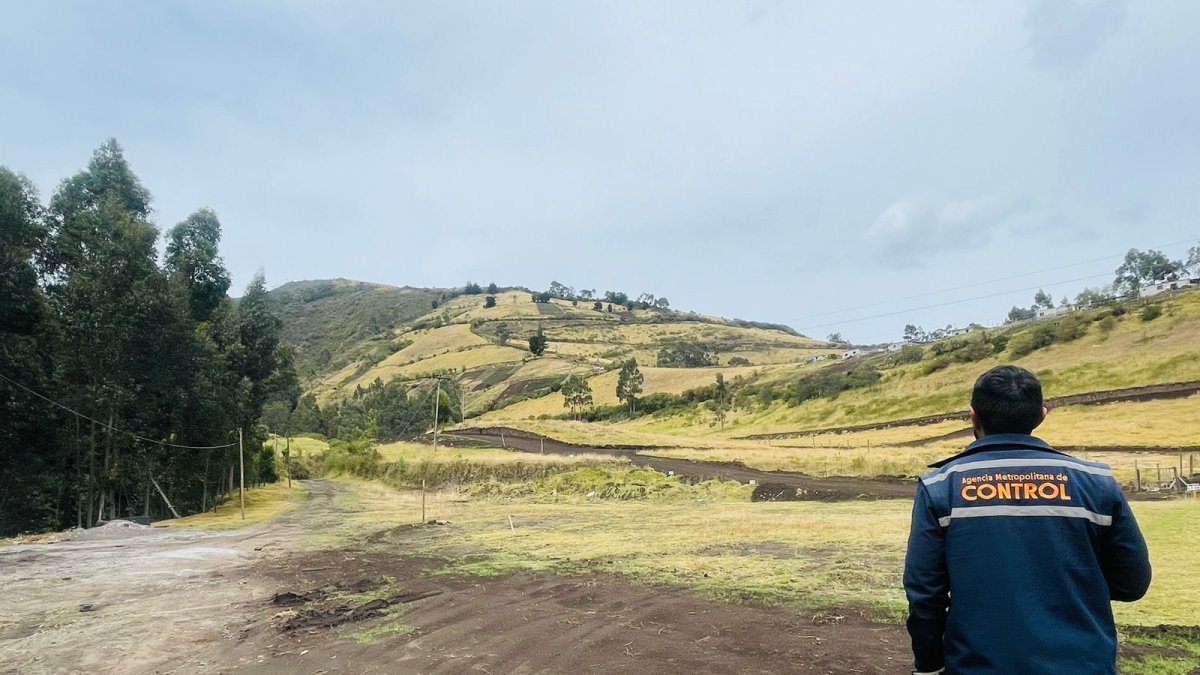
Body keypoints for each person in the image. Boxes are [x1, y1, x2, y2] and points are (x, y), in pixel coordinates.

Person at [903, 365, 1151, 674]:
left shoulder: (942, 486)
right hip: (1084, 665)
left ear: (973, 416)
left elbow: (925, 593)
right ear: (1041, 416)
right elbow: (1132, 585)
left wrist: (928, 665)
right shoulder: (1096, 482)